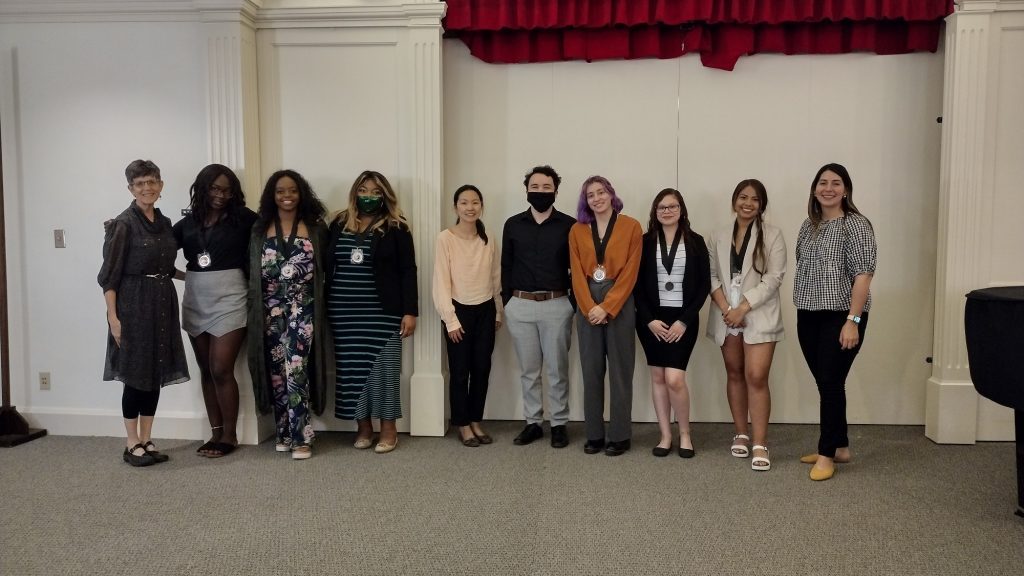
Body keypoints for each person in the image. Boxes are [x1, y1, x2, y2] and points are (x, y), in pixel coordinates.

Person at [99, 159, 189, 467]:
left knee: (156, 370)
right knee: (135, 375)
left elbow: (165, 266)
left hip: (162, 302)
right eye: (140, 184)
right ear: (131, 189)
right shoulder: (123, 224)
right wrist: (113, 318)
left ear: (161, 185)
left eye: (151, 182)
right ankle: (131, 442)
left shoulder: (164, 223)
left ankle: (148, 438)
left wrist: (191, 278)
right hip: (133, 305)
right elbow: (109, 277)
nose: (147, 188)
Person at [794, 163, 876, 481]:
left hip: (841, 316)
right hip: (808, 313)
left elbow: (863, 274)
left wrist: (852, 321)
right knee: (827, 383)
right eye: (823, 182)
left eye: (836, 183)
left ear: (846, 190)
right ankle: (840, 446)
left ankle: (826, 454)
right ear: (815, 189)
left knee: (829, 383)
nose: (829, 188)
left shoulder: (855, 225)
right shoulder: (809, 225)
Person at [328, 170, 418, 454]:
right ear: (355, 193)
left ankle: (388, 428)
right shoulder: (338, 223)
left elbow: (408, 271)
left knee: (385, 370)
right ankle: (363, 427)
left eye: (376, 192)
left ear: (385, 195)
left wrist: (410, 311)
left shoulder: (397, 227)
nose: (369, 196)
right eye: (364, 191)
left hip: (383, 311)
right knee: (352, 371)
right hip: (344, 312)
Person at [246, 169, 332, 460]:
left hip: (303, 307)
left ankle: (301, 436)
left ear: (301, 193)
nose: (287, 196)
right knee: (276, 374)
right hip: (269, 309)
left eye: (292, 190)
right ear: (272, 195)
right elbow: (251, 273)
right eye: (281, 191)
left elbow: (328, 269)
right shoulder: (259, 228)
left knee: (296, 369)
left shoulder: (316, 227)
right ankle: (283, 431)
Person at [173, 164, 257, 458]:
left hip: (231, 296)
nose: (222, 195)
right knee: (207, 369)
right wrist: (117, 233)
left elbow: (270, 240)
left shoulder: (244, 219)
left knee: (221, 367)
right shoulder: (186, 224)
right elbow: (158, 251)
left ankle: (230, 436)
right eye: (215, 188)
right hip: (196, 297)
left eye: (227, 189)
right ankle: (215, 432)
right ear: (203, 188)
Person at [706, 179, 786, 471]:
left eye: (754, 199)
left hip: (758, 313)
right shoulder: (717, 235)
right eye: (743, 197)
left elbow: (774, 278)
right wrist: (728, 309)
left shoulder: (773, 236)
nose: (748, 203)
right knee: (735, 372)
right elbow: (711, 276)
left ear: (762, 205)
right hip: (727, 314)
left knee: (756, 376)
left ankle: (760, 443)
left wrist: (743, 307)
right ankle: (740, 432)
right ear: (734, 200)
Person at [501, 165, 576, 448]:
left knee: (557, 369)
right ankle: (533, 422)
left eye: (546, 187)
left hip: (557, 304)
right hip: (520, 305)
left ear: (556, 190)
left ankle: (558, 424)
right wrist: (508, 301)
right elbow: (506, 265)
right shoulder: (513, 224)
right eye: (535, 187)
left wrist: (572, 303)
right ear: (527, 190)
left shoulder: (570, 225)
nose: (540, 192)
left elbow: (577, 268)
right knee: (529, 370)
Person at [568, 176, 642, 456]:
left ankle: (620, 434)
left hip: (619, 300)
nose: (596, 198)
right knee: (591, 370)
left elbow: (631, 271)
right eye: (590, 195)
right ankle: (595, 434)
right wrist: (589, 307)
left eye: (601, 192)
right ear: (585, 201)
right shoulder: (577, 230)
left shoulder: (631, 226)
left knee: (621, 371)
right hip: (587, 299)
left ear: (611, 194)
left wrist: (607, 306)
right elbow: (576, 272)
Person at [634, 188, 710, 458]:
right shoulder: (643, 242)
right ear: (655, 212)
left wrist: (685, 321)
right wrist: (648, 320)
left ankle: (685, 433)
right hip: (651, 320)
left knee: (674, 378)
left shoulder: (696, 241)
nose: (667, 211)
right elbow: (636, 286)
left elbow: (704, 286)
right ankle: (665, 435)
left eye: (672, 206)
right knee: (657, 377)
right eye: (661, 207)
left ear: (682, 210)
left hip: (683, 320)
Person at [432, 185, 503, 447]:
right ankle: (462, 423)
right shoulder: (445, 239)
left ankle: (476, 420)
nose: (470, 207)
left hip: (485, 309)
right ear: (455, 207)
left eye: (475, 202)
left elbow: (496, 276)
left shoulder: (489, 237)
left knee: (482, 369)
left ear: (481, 206)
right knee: (460, 372)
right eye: (464, 203)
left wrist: (497, 310)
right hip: (458, 311)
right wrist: (450, 319)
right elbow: (441, 281)